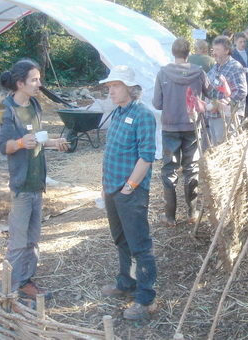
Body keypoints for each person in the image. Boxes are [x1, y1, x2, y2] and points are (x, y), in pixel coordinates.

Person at [0, 59, 68, 300]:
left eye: (39, 79)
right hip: (21, 183)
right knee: (18, 242)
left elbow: (38, 139)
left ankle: (25, 281)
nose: (39, 84)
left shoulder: (36, 104)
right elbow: (3, 146)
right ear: (20, 83)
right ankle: (7, 290)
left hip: (38, 181)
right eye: (34, 80)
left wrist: (52, 143)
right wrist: (19, 143)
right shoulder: (5, 109)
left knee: (33, 239)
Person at [99, 65, 158, 320]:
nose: (110, 90)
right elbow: (112, 151)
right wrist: (106, 187)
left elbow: (146, 157)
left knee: (140, 246)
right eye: (109, 86)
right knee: (120, 240)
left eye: (115, 86)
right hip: (112, 188)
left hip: (130, 192)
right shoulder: (119, 113)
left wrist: (129, 187)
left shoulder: (143, 115)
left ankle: (146, 300)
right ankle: (126, 283)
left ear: (130, 88)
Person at [153, 38, 211, 227]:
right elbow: (210, 93)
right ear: (189, 53)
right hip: (192, 126)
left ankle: (170, 216)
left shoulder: (163, 73)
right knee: (191, 168)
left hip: (170, 127)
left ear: (173, 52)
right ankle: (192, 213)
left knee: (169, 169)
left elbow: (157, 103)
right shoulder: (199, 72)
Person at [206, 35, 248, 144]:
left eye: (217, 50)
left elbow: (241, 91)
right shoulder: (216, 67)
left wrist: (225, 103)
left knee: (226, 146)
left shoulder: (235, 67)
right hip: (213, 115)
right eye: (213, 49)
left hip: (227, 116)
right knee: (216, 148)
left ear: (227, 51)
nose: (214, 53)